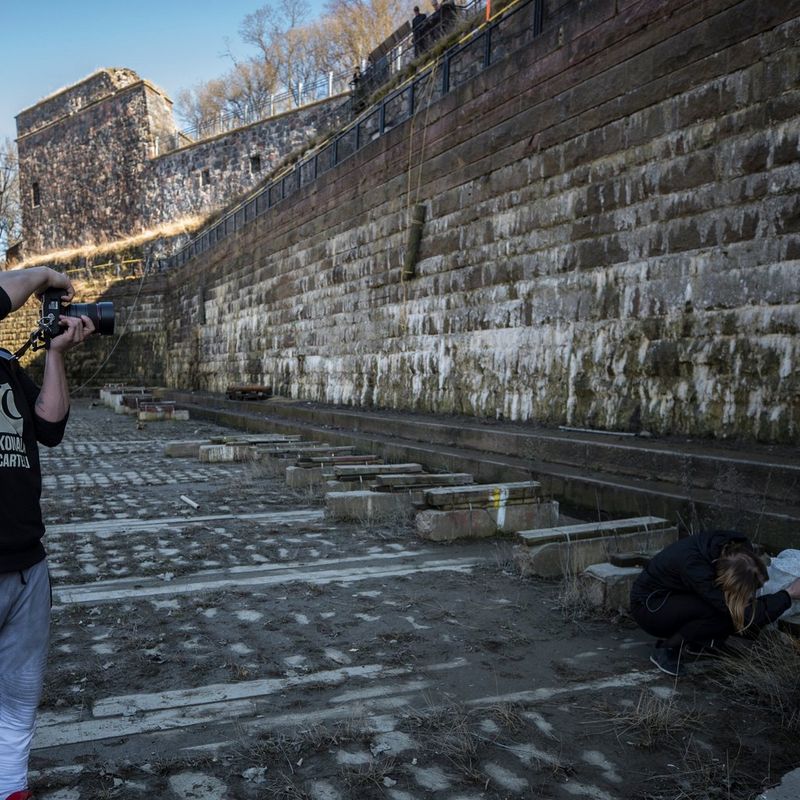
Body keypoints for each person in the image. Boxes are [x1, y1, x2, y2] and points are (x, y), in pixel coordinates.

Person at [0, 266, 95, 800]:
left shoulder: (6, 366)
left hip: (27, 568)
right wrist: (42, 274)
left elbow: (50, 426)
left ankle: (11, 788)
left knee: (18, 697)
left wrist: (55, 355)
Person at [630, 529, 800, 676]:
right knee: (722, 611)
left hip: (677, 595)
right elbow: (745, 614)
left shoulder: (738, 550)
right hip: (649, 607)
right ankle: (667, 648)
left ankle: (700, 643)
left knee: (721, 608)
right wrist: (789, 593)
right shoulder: (697, 569)